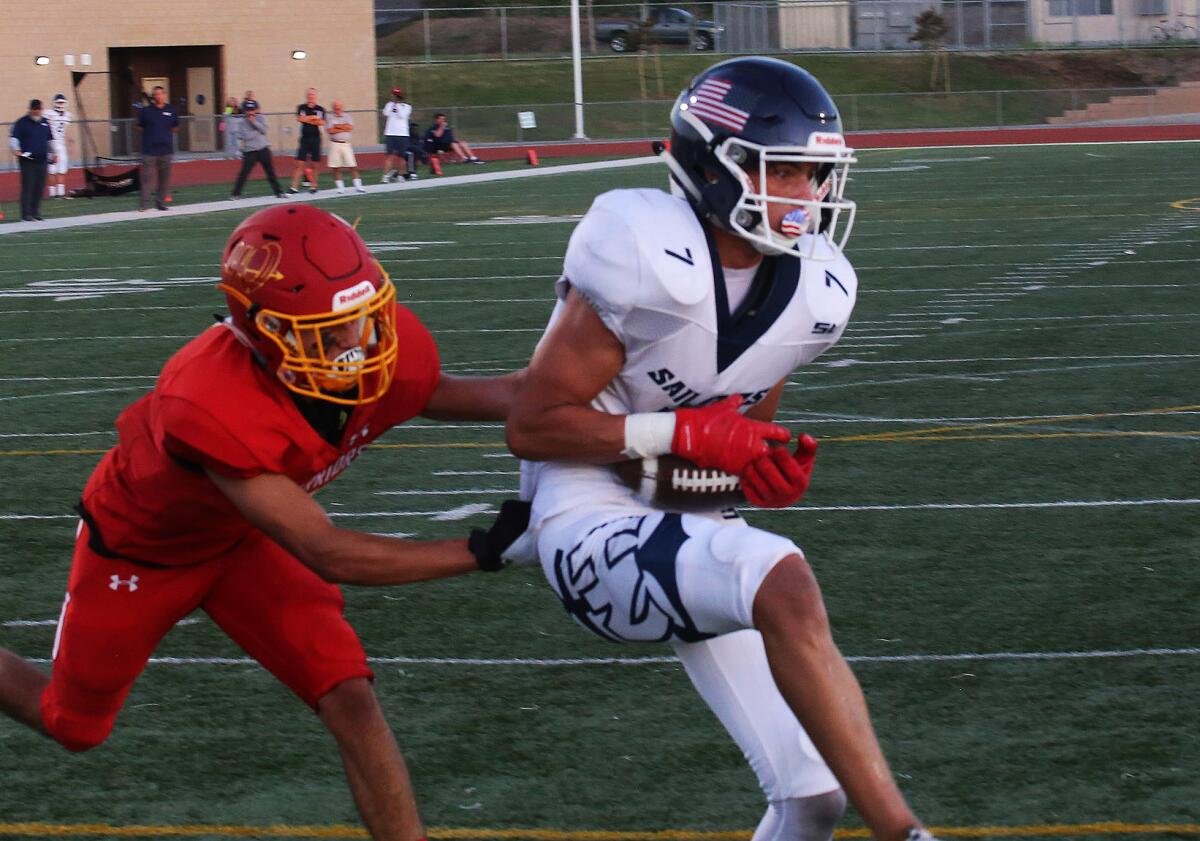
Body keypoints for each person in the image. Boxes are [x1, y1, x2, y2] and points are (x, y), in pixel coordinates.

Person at [505, 57, 940, 841]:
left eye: (818, 174)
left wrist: (747, 471)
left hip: (667, 505)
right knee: (785, 581)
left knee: (810, 798)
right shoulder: (643, 251)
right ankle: (904, 832)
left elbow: (710, 459)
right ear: (716, 166)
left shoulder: (815, 292)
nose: (811, 195)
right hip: (579, 513)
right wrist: (681, 433)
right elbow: (533, 425)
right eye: (791, 172)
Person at [0, 204, 530, 841]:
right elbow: (328, 552)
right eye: (330, 332)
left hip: (243, 538)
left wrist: (609, 401)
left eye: (362, 318)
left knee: (351, 698)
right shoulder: (210, 403)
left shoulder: (377, 344)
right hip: (145, 553)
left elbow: (444, 391)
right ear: (262, 331)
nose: (357, 343)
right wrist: (483, 549)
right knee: (73, 726)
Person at [230, 99, 285, 199]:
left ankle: (279, 192)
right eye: (248, 110)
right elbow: (245, 136)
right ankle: (236, 194)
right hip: (250, 151)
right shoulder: (242, 122)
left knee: (270, 172)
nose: (250, 112)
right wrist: (256, 131)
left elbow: (264, 130)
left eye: (252, 109)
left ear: (256, 110)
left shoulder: (261, 118)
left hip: (263, 149)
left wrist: (254, 122)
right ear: (245, 110)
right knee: (244, 173)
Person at [9, 99, 53, 221]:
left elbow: (50, 139)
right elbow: (14, 138)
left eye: (39, 110)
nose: (37, 112)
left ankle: (35, 212)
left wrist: (54, 152)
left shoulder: (44, 122)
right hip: (27, 159)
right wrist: (16, 149)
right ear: (31, 109)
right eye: (35, 110)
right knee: (28, 186)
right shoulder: (22, 122)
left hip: (42, 159)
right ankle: (26, 214)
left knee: (39, 186)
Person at [136, 85, 179, 211]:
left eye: (161, 94)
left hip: (166, 150)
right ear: (153, 96)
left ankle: (160, 203)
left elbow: (175, 127)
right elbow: (139, 127)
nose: (158, 96)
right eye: (156, 94)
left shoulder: (171, 110)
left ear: (165, 95)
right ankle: (144, 205)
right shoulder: (146, 111)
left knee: (164, 178)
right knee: (147, 178)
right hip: (149, 151)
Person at [289, 87, 326, 194]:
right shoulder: (302, 107)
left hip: (316, 139)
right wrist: (314, 118)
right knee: (299, 163)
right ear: (306, 96)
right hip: (304, 139)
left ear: (316, 96)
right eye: (309, 94)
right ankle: (294, 187)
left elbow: (322, 122)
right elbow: (300, 119)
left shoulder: (320, 109)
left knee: (315, 164)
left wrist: (308, 119)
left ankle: (313, 186)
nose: (311, 96)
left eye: (313, 94)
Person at [326, 100, 366, 194]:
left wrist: (337, 127)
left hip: (345, 144)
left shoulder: (347, 116)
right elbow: (330, 130)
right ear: (333, 107)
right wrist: (342, 127)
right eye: (335, 106)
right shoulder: (330, 117)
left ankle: (358, 186)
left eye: (339, 106)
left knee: (352, 165)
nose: (337, 108)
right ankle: (340, 188)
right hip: (334, 144)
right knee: (336, 167)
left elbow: (350, 128)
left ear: (342, 107)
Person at [381, 87, 416, 182]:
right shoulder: (389, 105)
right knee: (390, 156)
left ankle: (400, 175)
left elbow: (402, 116)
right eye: (393, 95)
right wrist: (392, 105)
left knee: (402, 156)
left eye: (395, 95)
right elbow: (385, 113)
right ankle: (385, 176)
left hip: (402, 134)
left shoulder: (407, 107)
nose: (393, 97)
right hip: (390, 133)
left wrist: (397, 106)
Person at [45, 94, 73, 199]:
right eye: (59, 102)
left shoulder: (68, 115)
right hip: (51, 144)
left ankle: (60, 193)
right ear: (54, 103)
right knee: (51, 171)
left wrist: (69, 141)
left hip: (61, 145)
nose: (61, 104)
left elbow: (64, 131)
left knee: (62, 170)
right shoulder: (48, 114)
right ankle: (52, 194)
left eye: (62, 102)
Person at [222, 96, 242, 160]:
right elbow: (226, 117)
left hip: (237, 128)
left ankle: (237, 154)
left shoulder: (239, 109)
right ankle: (229, 155)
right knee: (229, 143)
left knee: (237, 143)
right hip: (229, 128)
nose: (232, 102)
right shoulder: (228, 108)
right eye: (230, 101)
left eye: (233, 101)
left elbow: (242, 117)